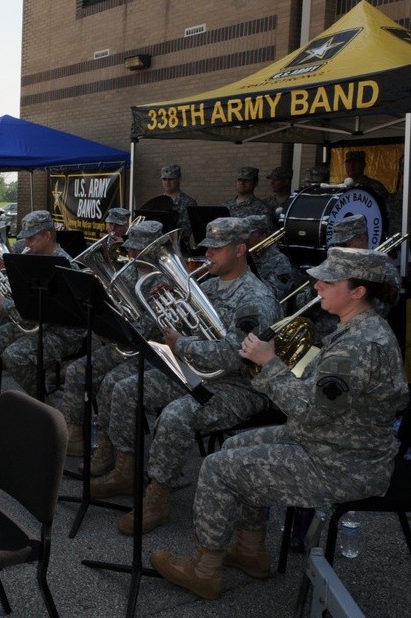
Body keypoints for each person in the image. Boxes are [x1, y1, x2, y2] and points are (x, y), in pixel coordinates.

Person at [151, 247, 408, 599]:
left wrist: (269, 363)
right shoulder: (356, 330)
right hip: (330, 441)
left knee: (217, 467)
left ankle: (204, 569)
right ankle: (251, 549)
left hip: (342, 462)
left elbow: (309, 410)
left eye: (329, 280)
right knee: (233, 446)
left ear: (358, 291)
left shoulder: (358, 346)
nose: (316, 285)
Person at [90, 217, 281, 536]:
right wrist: (165, 306)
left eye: (217, 249)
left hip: (239, 385)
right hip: (198, 371)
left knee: (175, 415)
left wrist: (184, 343)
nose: (209, 255)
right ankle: (126, 469)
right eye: (208, 248)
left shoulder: (256, 300)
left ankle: (157, 500)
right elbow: (188, 326)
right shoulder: (205, 284)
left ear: (240, 249)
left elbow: (237, 355)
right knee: (127, 388)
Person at [56, 219, 163, 458]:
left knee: (111, 383)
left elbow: (150, 328)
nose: (132, 252)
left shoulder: (164, 278)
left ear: (155, 248)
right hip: (123, 344)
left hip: (152, 351)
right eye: (131, 246)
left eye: (139, 248)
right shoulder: (129, 271)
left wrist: (113, 327)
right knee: (77, 371)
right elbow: (113, 305)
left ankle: (109, 448)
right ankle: (74, 436)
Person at [0, 210, 84, 422]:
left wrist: (5, 304)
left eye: (32, 238)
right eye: (25, 238)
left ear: (47, 236)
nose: (26, 243)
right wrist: (9, 275)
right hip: (33, 325)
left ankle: (46, 409)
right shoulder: (31, 259)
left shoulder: (64, 265)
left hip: (62, 332)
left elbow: (43, 310)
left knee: (15, 355)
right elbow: (28, 306)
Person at [245, 214, 295, 301]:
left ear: (263, 237)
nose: (245, 238)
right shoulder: (242, 254)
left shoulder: (279, 260)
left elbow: (276, 293)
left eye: (250, 234)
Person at [159, 165, 198, 252]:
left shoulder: (189, 202)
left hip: (180, 250)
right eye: (164, 179)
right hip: (160, 251)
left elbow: (188, 229)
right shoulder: (156, 202)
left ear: (179, 179)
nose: (167, 182)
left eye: (171, 179)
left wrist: (174, 234)